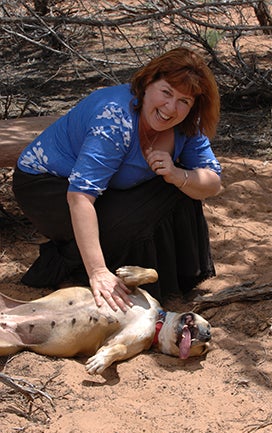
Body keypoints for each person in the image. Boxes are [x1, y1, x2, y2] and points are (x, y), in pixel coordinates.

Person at [12, 47, 222, 312]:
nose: (171, 108)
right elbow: (79, 196)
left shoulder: (187, 124)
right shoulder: (115, 119)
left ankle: (170, 282)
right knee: (134, 216)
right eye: (166, 92)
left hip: (101, 187)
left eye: (185, 101)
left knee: (177, 188)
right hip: (47, 185)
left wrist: (178, 174)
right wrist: (98, 271)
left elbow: (213, 182)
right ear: (148, 83)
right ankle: (65, 267)